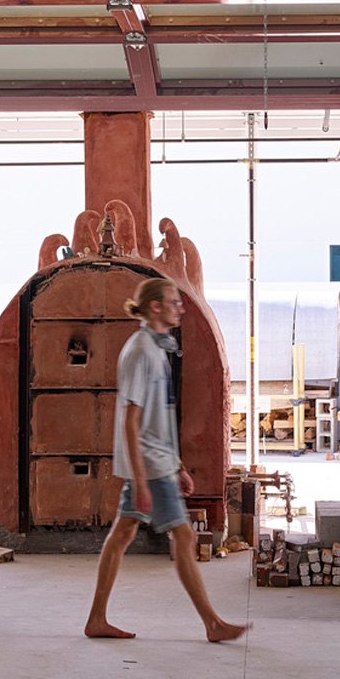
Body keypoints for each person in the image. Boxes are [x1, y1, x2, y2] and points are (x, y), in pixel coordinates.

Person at [84, 276, 247, 646]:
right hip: (149, 467)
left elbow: (160, 418)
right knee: (184, 535)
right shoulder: (141, 351)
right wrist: (142, 480)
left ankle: (96, 618)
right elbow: (131, 419)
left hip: (158, 463)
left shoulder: (157, 349)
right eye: (174, 301)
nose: (182, 307)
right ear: (155, 306)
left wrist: (178, 466)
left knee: (122, 534)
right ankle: (212, 624)